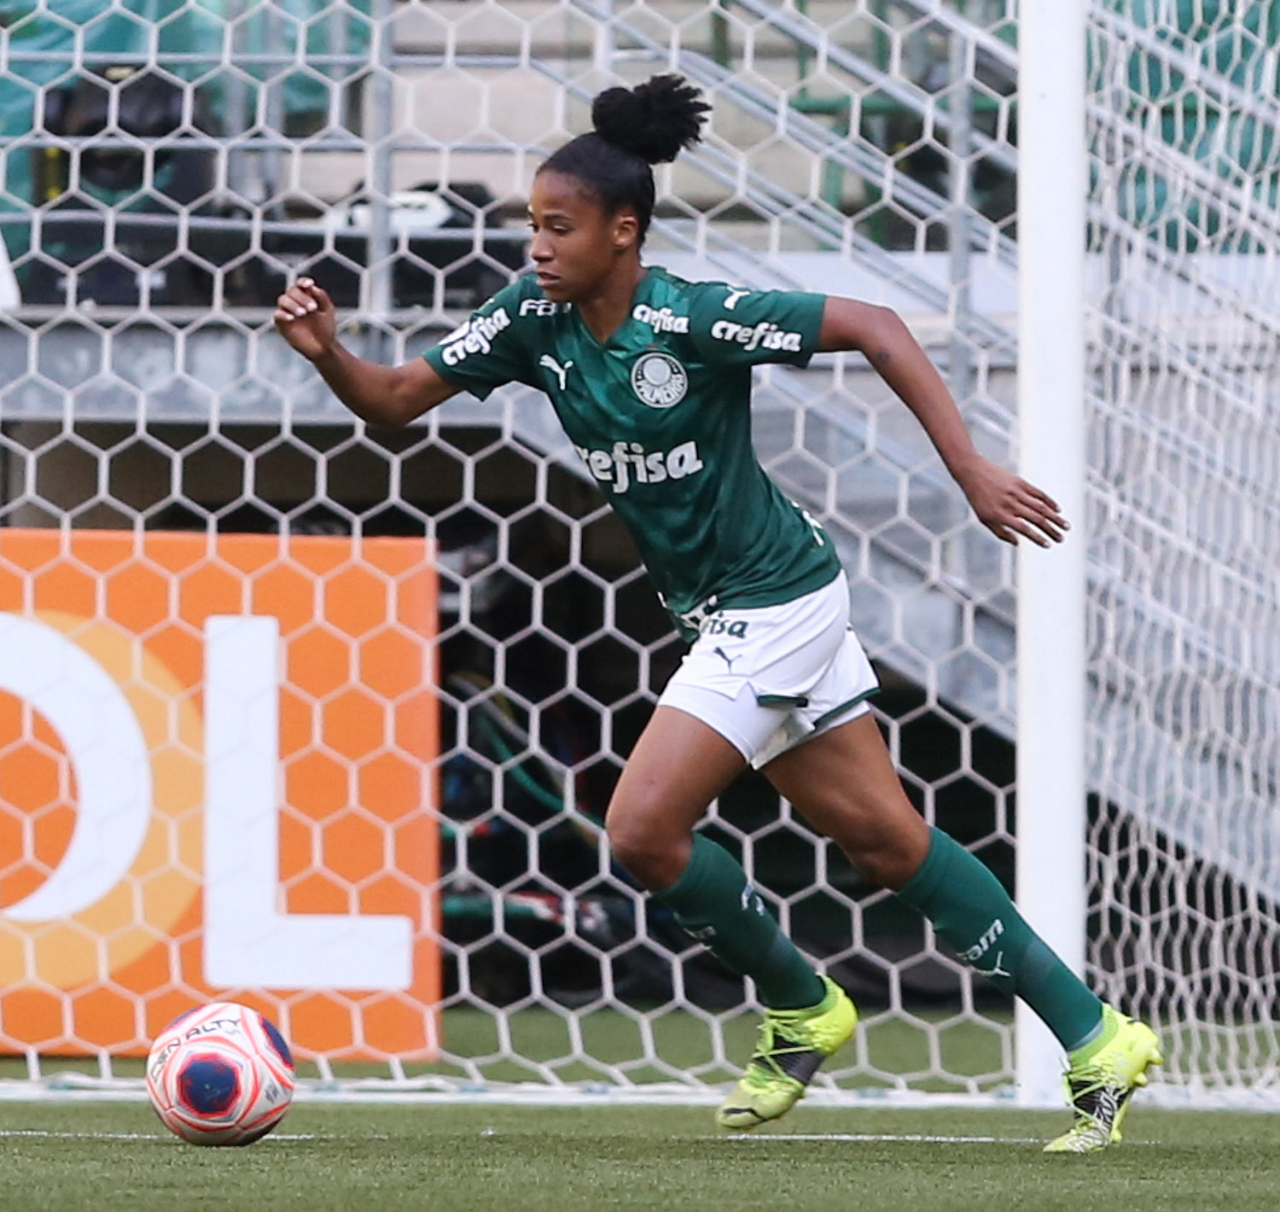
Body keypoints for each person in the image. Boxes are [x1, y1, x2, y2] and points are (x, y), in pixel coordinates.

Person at [275, 74, 1161, 1152]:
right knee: (887, 841)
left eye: (558, 228)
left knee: (641, 827)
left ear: (623, 230)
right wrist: (329, 354)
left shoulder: (690, 317)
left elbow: (876, 323)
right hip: (724, 611)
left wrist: (970, 469)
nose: (537, 248)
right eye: (532, 226)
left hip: (773, 603)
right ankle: (1098, 1036)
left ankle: (800, 1007)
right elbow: (392, 401)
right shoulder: (528, 322)